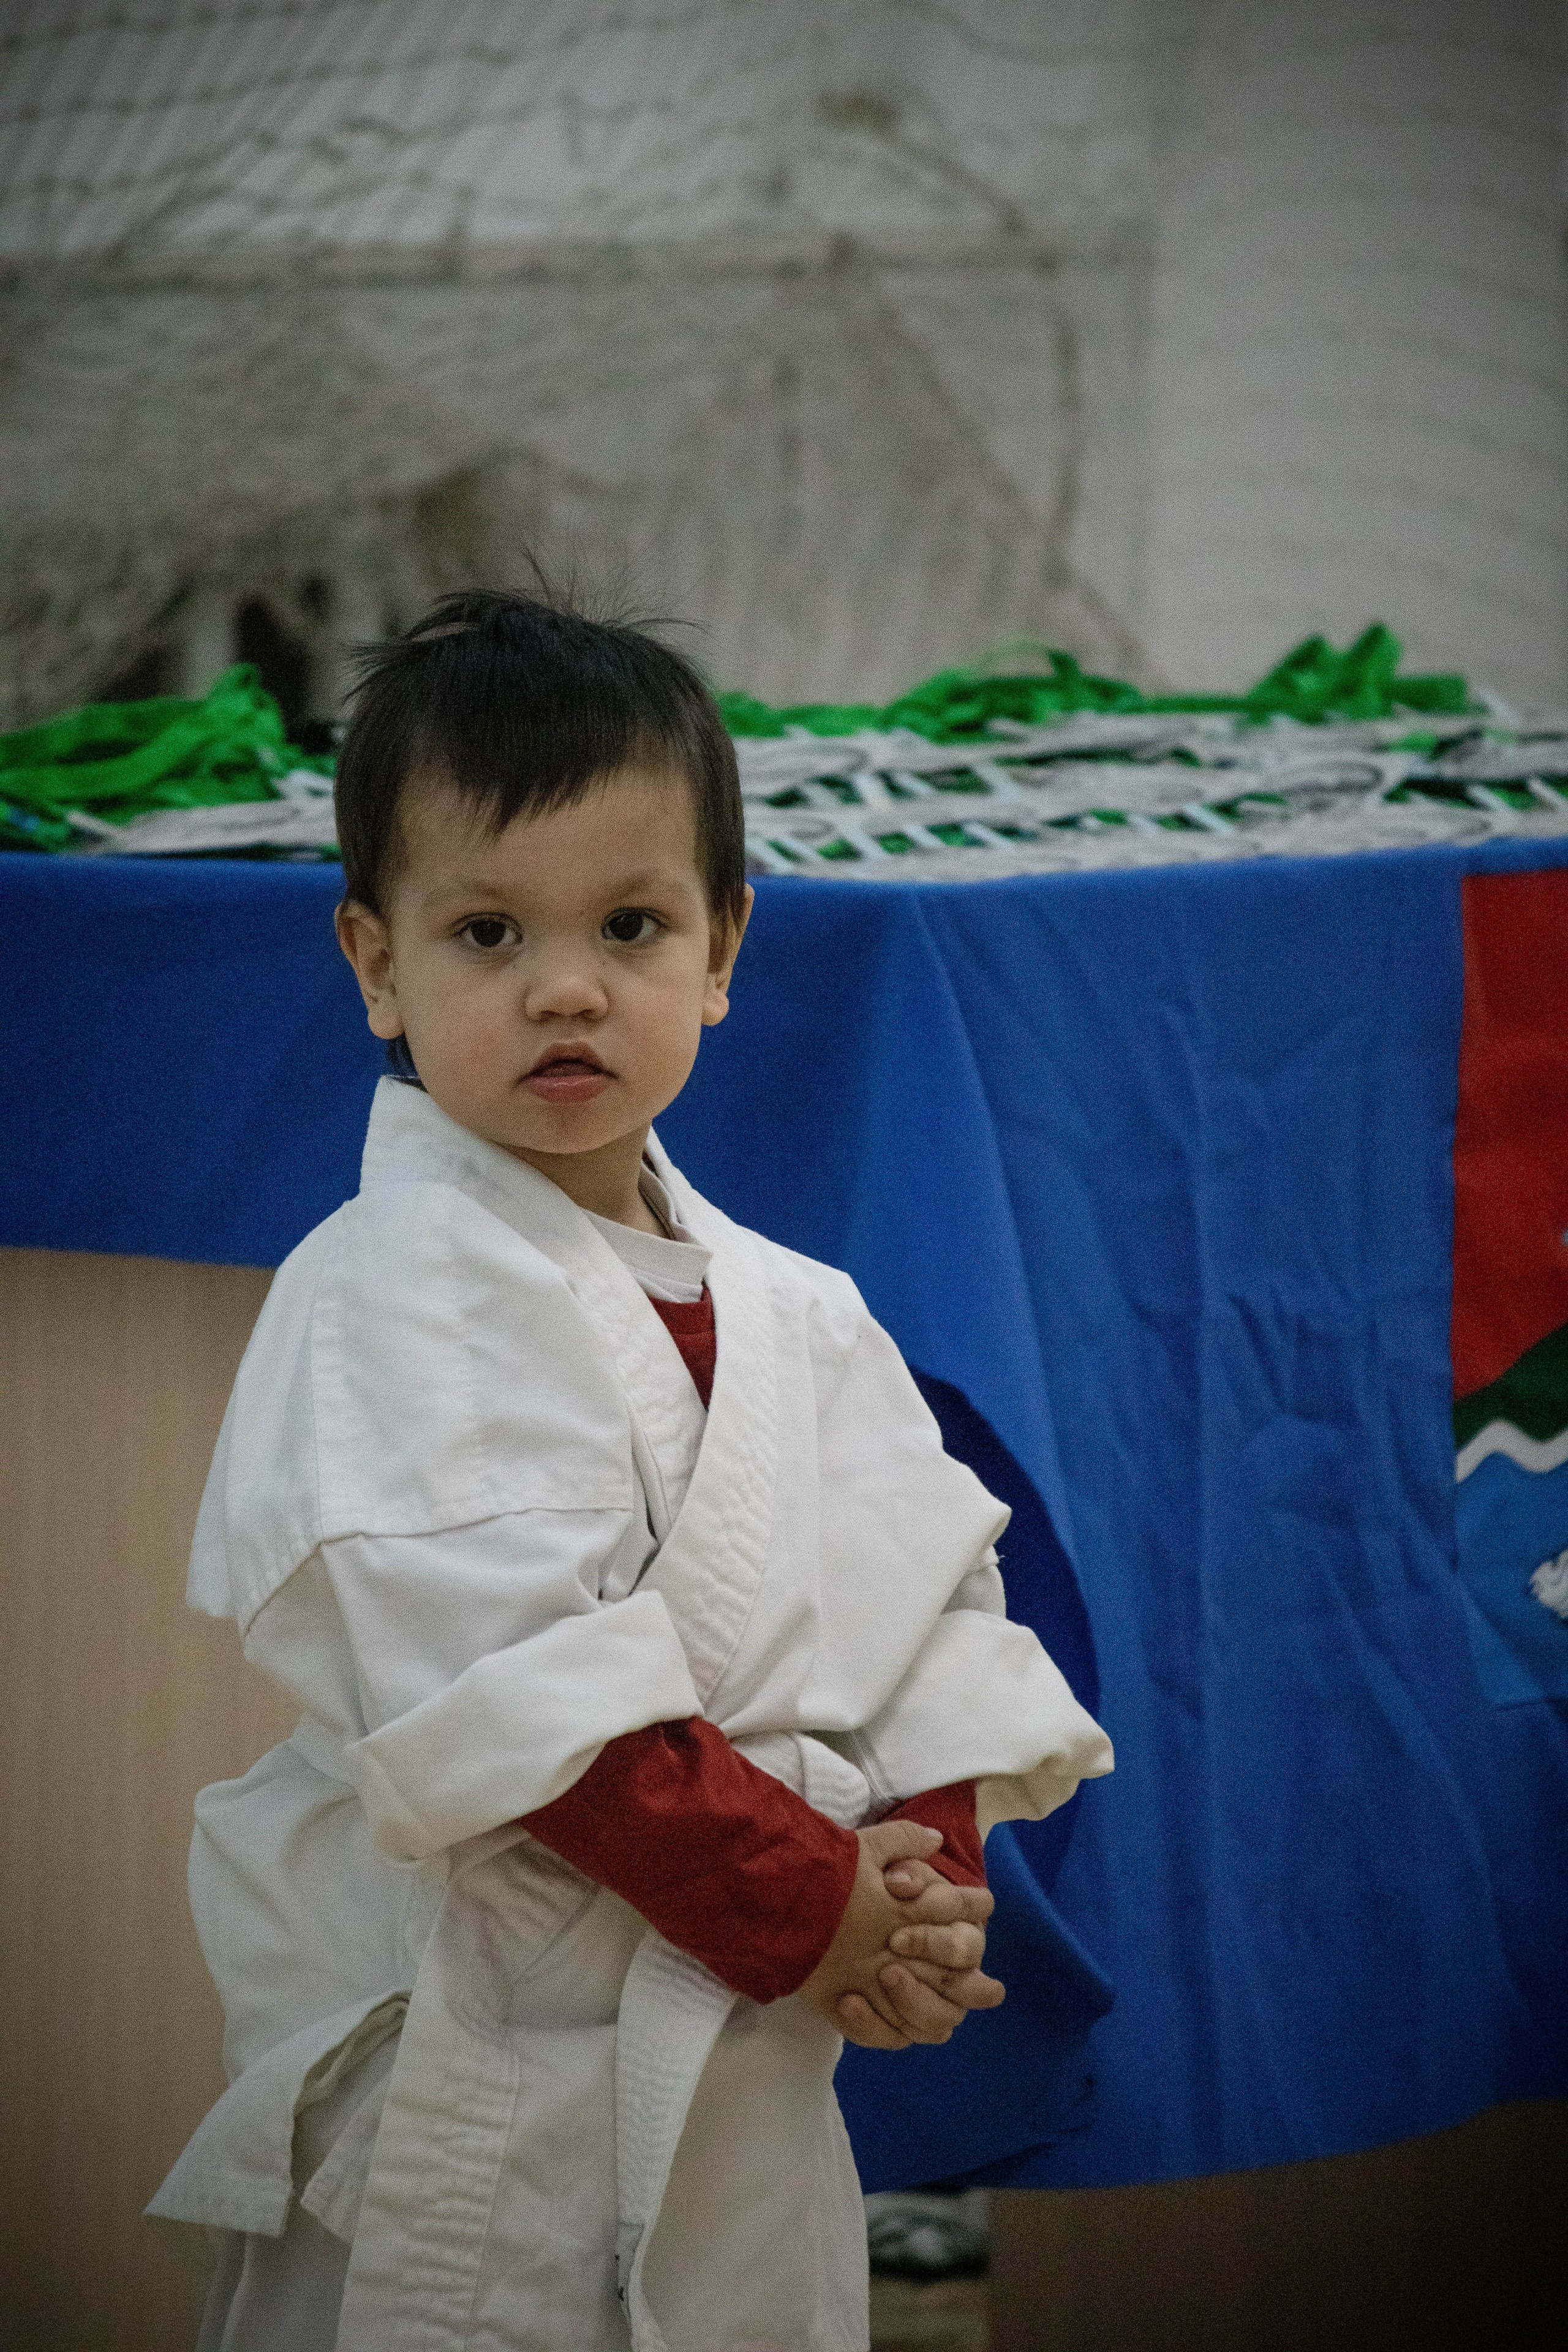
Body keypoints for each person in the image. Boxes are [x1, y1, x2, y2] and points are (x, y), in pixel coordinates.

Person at [151, 589, 1114, 2352]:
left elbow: (925, 1617)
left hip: (749, 2045)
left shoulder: (798, 1308)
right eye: (488, 931)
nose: (567, 986)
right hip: (485, 2053)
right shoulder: (382, 1297)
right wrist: (810, 1902)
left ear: (722, 948)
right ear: (376, 962)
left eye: (631, 924)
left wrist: (915, 1884)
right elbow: (520, 1696)